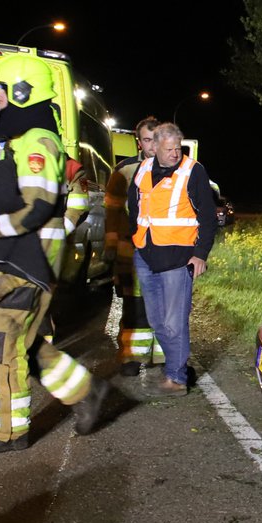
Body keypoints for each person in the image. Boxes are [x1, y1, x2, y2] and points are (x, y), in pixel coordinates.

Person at [0, 53, 111, 454]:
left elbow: (34, 209)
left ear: (23, 95)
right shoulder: (23, 140)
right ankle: (85, 392)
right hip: (18, 258)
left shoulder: (35, 144)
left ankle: (9, 435)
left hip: (24, 262)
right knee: (19, 341)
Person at [128, 122, 215, 396]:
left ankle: (176, 378)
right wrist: (135, 238)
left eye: (178, 148)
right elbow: (135, 208)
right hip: (146, 255)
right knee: (157, 322)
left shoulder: (193, 171)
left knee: (174, 322)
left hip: (177, 260)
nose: (175, 154)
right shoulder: (142, 170)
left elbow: (208, 217)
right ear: (154, 147)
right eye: (169, 149)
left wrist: (199, 254)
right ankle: (177, 368)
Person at [103, 116, 165, 374]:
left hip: (165, 250)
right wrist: (111, 245)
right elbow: (113, 211)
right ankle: (131, 357)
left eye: (156, 139)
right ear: (139, 143)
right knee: (134, 305)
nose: (152, 146)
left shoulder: (180, 168)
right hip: (132, 249)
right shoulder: (124, 171)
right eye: (147, 140)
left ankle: (164, 358)